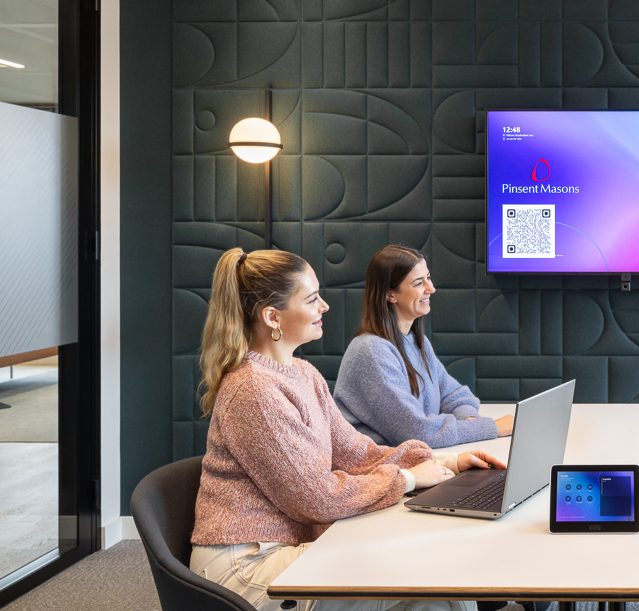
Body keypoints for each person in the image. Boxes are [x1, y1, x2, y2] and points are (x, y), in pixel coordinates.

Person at [189, 247, 504, 611]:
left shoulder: (303, 374)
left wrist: (448, 461)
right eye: (312, 299)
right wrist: (408, 479)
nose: (325, 307)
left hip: (292, 544)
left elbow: (359, 453)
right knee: (432, 584)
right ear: (272, 317)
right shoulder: (253, 390)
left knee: (433, 577)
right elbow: (316, 498)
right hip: (250, 566)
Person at [334, 244, 513, 448]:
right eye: (419, 283)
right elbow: (418, 432)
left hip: (411, 462)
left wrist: (469, 421)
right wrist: (493, 428)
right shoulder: (371, 351)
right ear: (390, 295)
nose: (431, 288)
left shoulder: (416, 341)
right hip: (378, 471)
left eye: (428, 277)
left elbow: (454, 394)